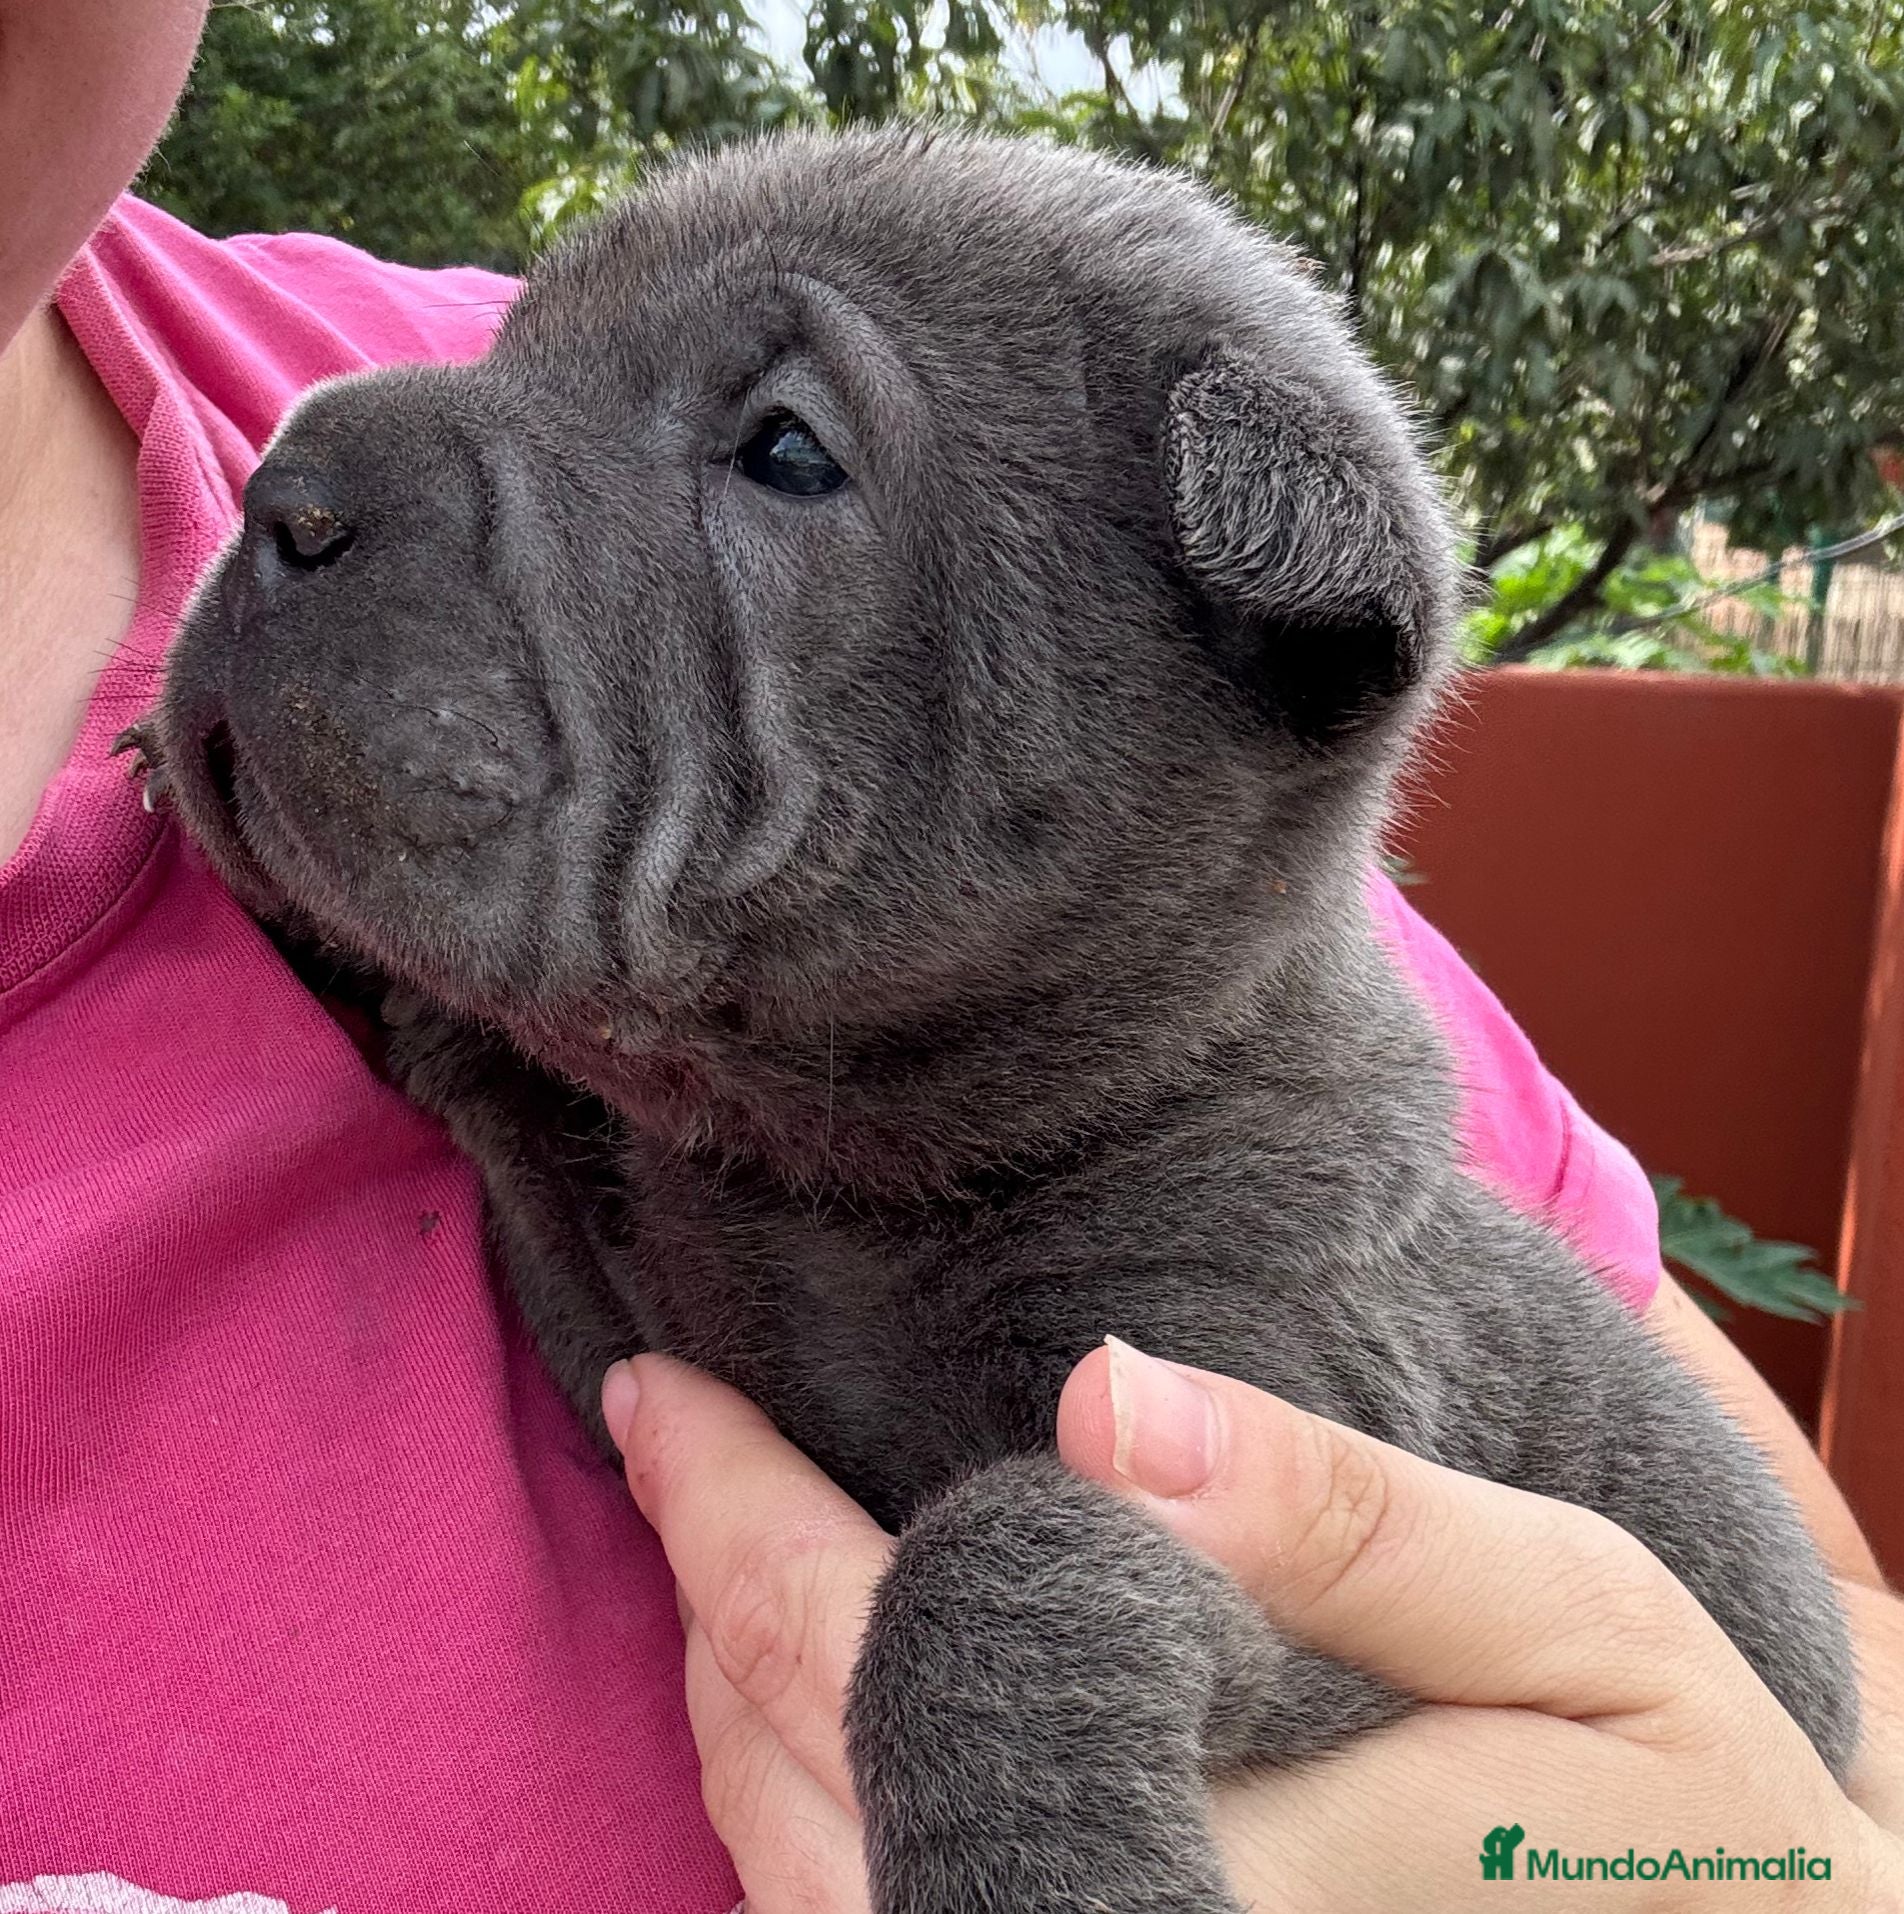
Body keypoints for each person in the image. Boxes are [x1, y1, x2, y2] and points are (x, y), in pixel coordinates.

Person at [1, 4, 1898, 1906]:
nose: (309, 486)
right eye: (534, 368)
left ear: (1216, 669)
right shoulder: (691, 1051)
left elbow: (1368, 1599)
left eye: (781, 455)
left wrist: (1761, 1864)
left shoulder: (1212, 1168)